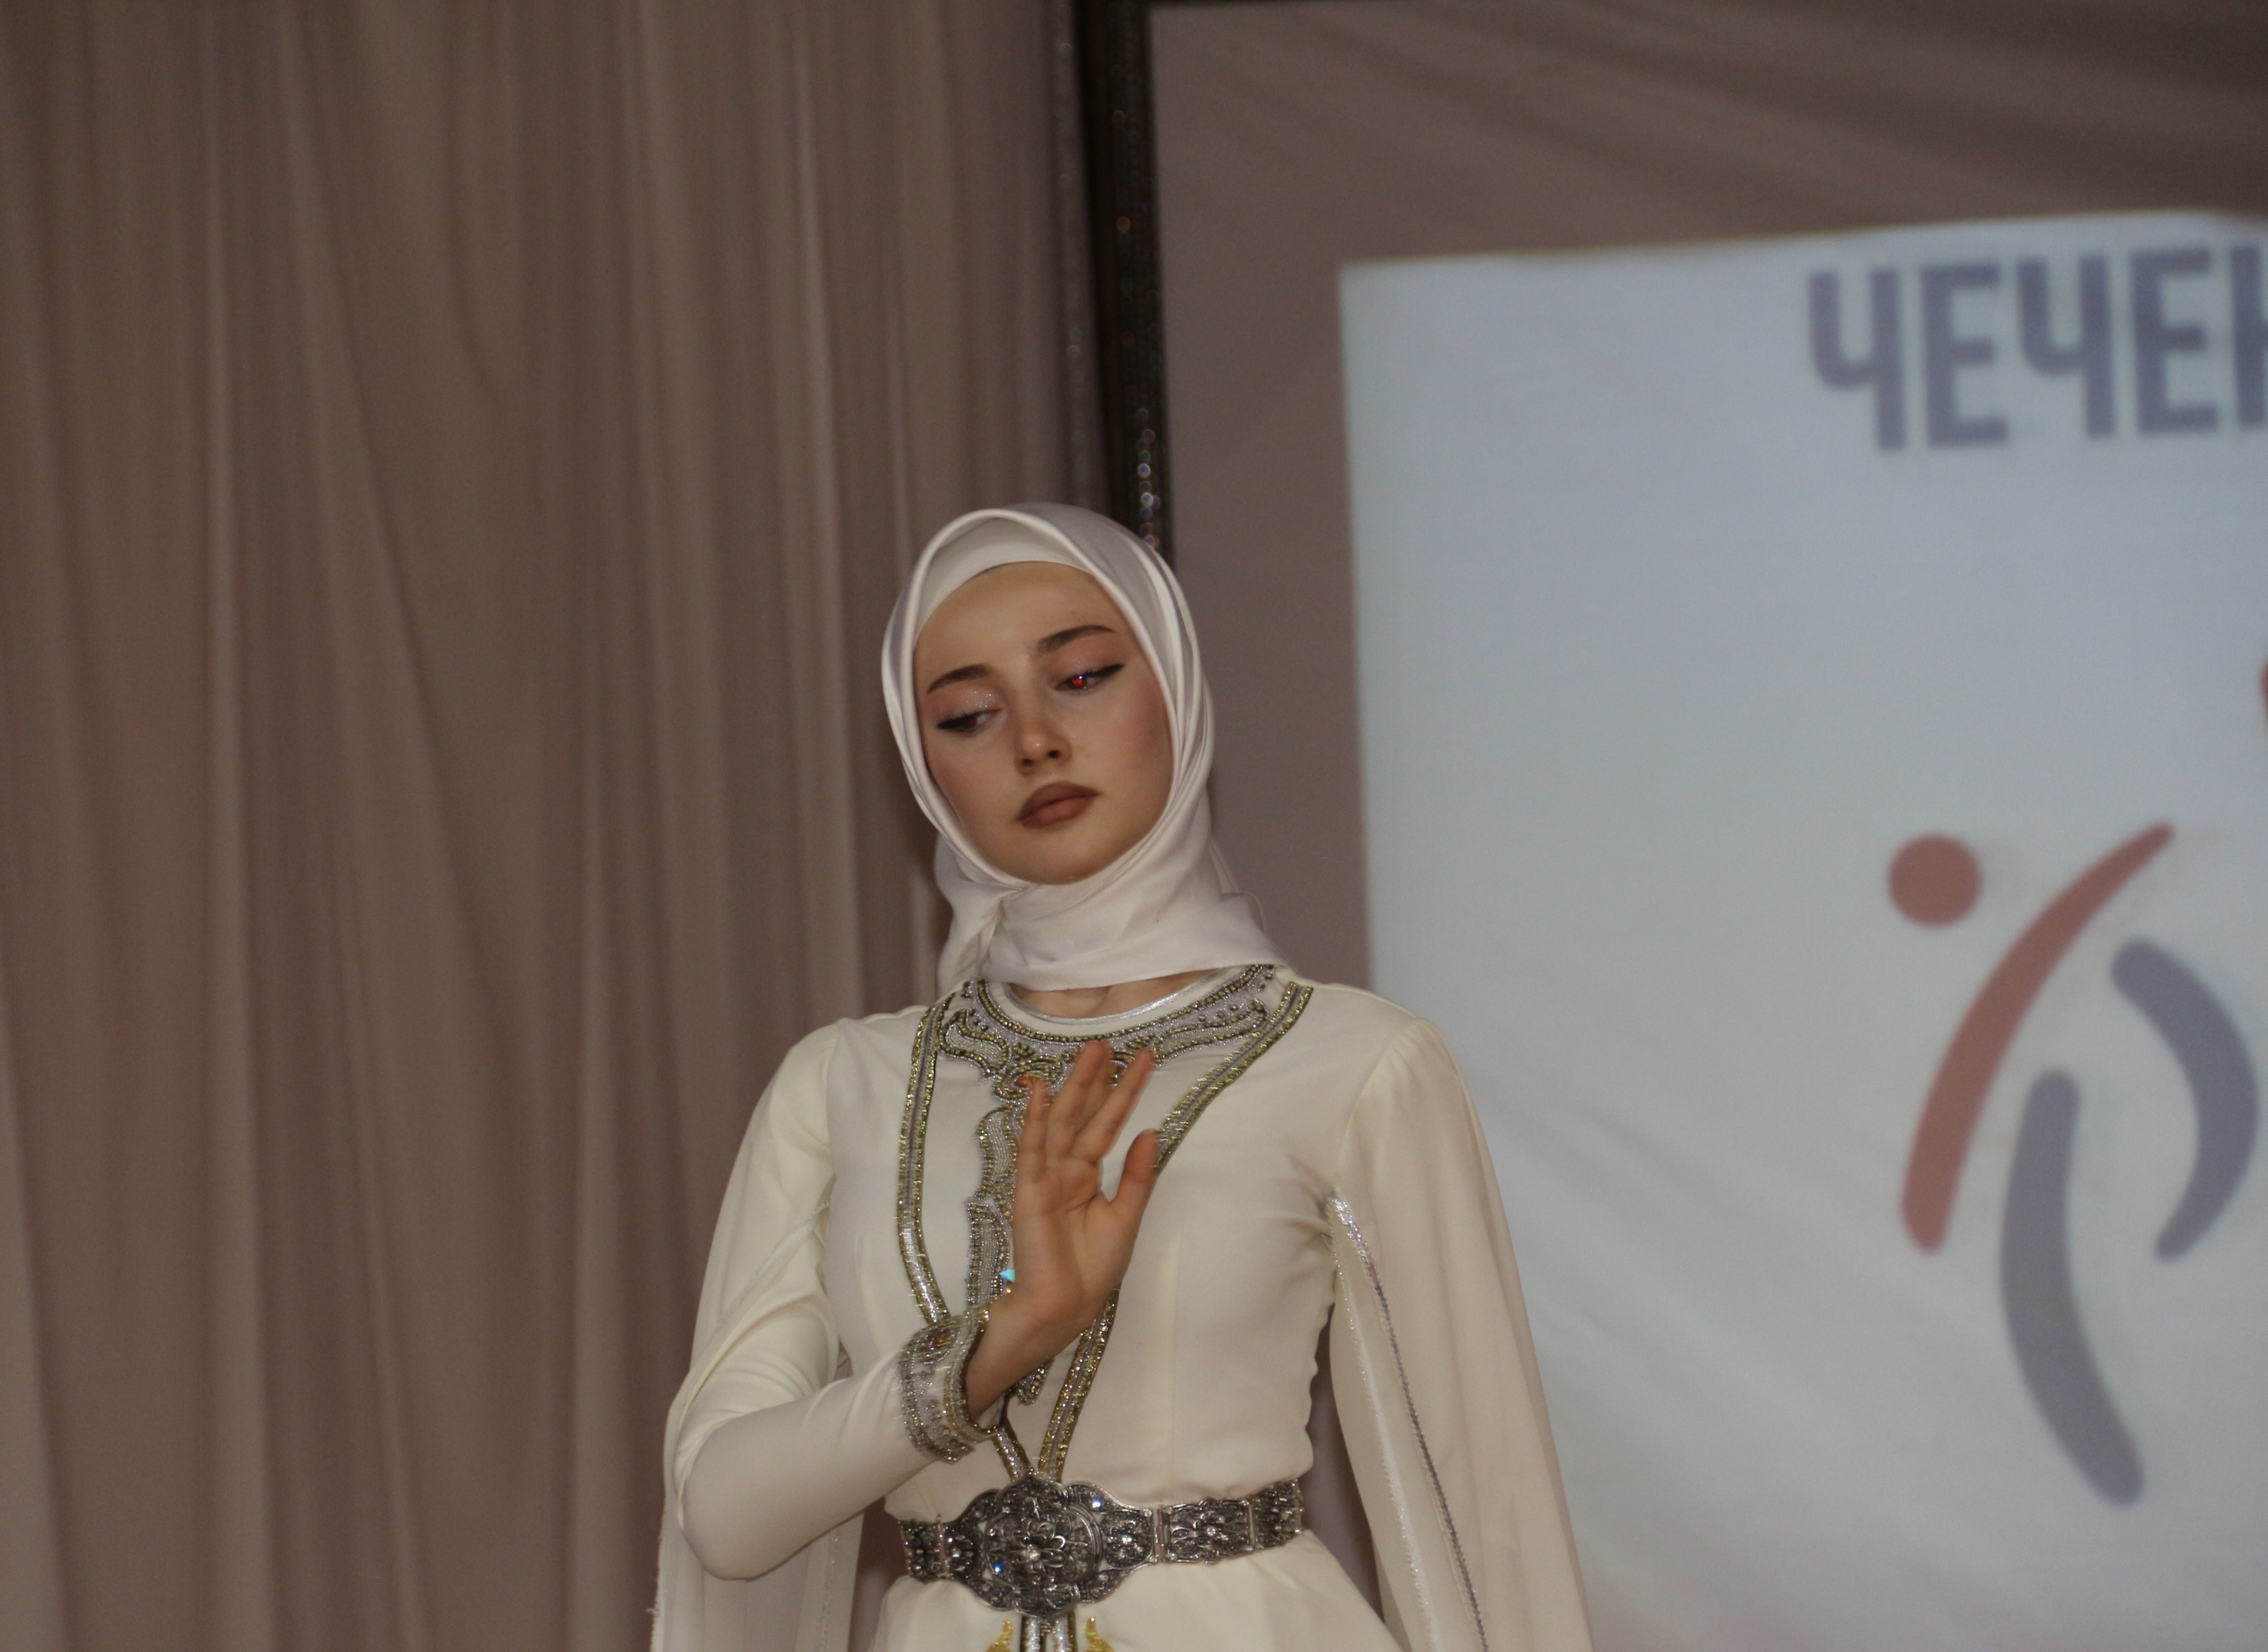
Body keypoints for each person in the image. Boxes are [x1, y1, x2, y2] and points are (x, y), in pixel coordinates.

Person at [653, 505, 1591, 1652]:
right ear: (922, 763)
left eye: (1084, 677)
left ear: (1177, 692)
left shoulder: (1353, 1062)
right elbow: (724, 1514)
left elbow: (1482, 1524)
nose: (1036, 741)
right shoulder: (845, 1083)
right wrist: (1000, 1342)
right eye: (969, 714)